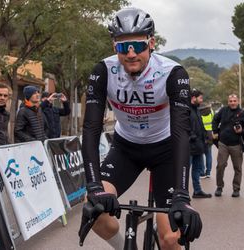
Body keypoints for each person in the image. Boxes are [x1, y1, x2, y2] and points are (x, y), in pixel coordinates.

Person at [81, 7, 201, 249]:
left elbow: (181, 133)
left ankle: (161, 228)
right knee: (94, 211)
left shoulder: (172, 73)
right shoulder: (103, 71)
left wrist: (182, 195)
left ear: (152, 43)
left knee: (171, 238)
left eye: (138, 45)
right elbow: (91, 129)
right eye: (123, 47)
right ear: (115, 47)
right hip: (126, 149)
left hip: (166, 151)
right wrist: (94, 187)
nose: (131, 53)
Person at [212, 94, 244, 197]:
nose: (232, 103)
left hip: (237, 145)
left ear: (238, 101)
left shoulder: (243, 113)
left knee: (237, 168)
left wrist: (242, 130)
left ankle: (236, 189)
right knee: (220, 166)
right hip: (223, 143)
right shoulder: (223, 110)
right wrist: (215, 131)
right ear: (228, 102)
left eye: (234, 101)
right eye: (230, 101)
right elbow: (215, 120)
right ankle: (219, 187)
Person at [189, 89, 212, 198]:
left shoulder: (197, 110)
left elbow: (200, 125)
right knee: (184, 170)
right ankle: (181, 194)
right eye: (200, 98)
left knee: (197, 169)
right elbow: (184, 126)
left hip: (198, 145)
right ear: (194, 98)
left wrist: (206, 138)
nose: (202, 100)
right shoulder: (186, 110)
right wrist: (192, 136)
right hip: (189, 146)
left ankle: (197, 191)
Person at [199, 102, 215, 178]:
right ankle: (208, 172)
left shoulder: (198, 111)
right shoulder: (211, 111)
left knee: (200, 154)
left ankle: (202, 172)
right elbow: (214, 122)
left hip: (201, 133)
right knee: (209, 154)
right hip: (210, 134)